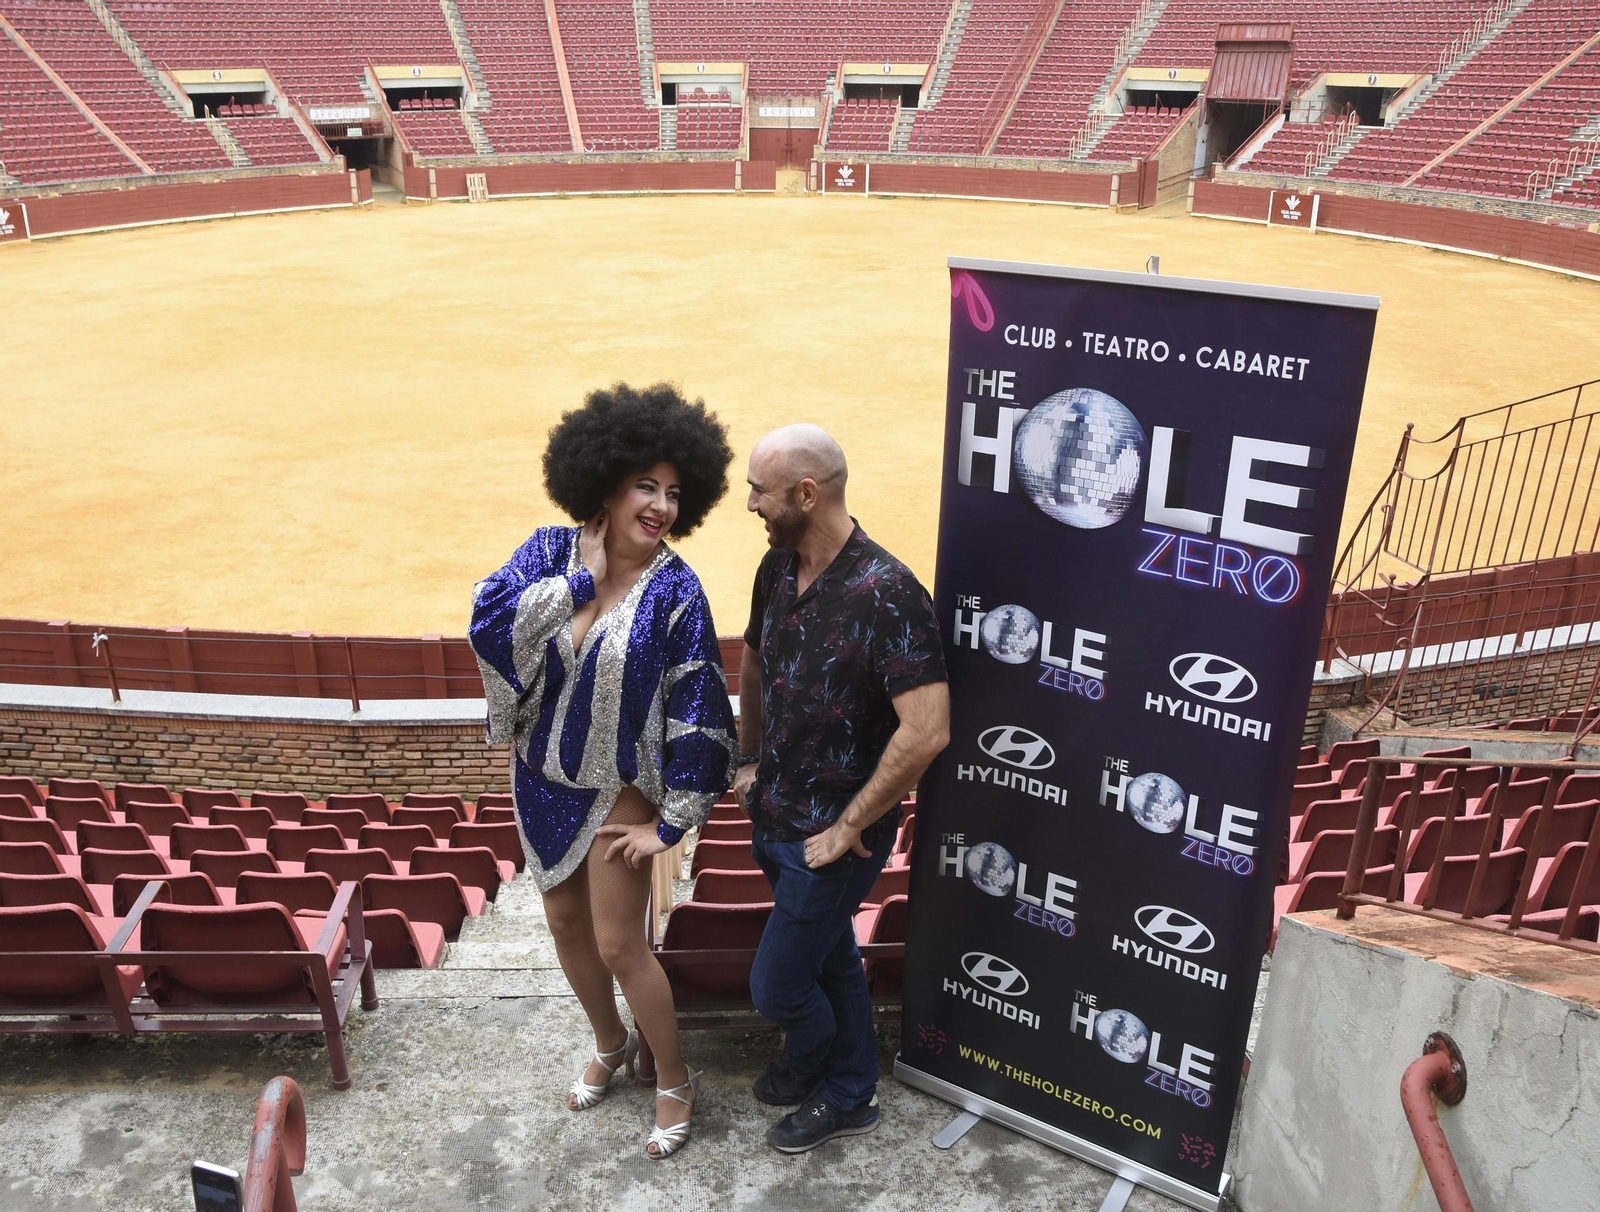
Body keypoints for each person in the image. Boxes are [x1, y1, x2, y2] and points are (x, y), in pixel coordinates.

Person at [468, 382, 737, 1160]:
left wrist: (675, 821)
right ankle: (610, 1041)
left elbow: (698, 704)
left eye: (674, 493)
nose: (659, 505)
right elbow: (489, 625)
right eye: (645, 486)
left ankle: (676, 1078)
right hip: (536, 776)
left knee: (623, 945)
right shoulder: (549, 551)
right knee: (561, 924)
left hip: (616, 790)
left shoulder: (679, 591)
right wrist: (580, 584)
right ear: (607, 482)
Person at [734, 423, 951, 1153]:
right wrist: (747, 760)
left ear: (805, 492)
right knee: (829, 961)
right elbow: (757, 666)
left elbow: (926, 729)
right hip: (774, 814)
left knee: (777, 987)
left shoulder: (889, 593)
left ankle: (813, 1063)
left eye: (759, 492)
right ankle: (854, 1090)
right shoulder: (777, 566)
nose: (750, 506)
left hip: (835, 838)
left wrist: (849, 824)